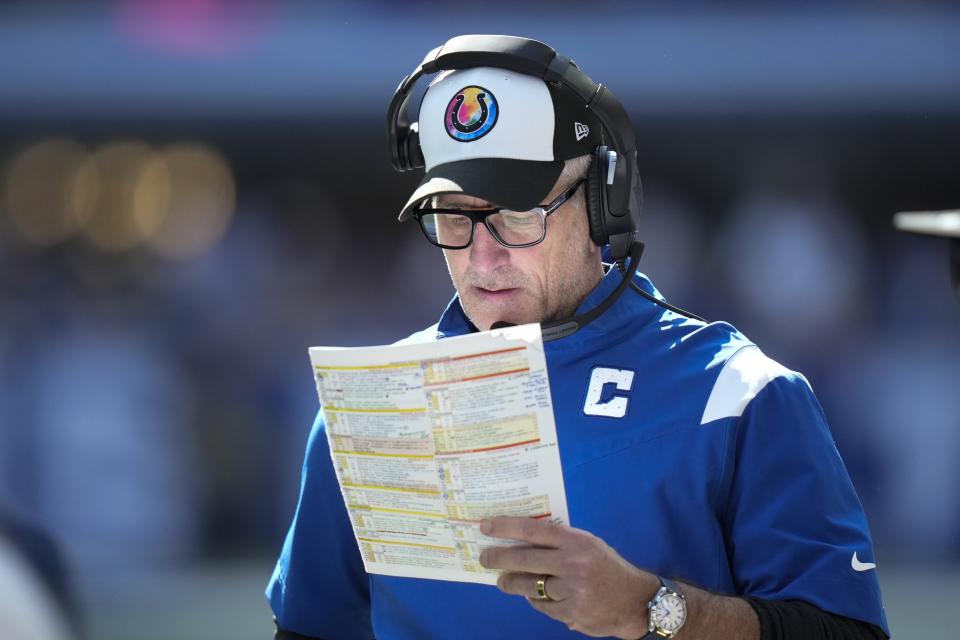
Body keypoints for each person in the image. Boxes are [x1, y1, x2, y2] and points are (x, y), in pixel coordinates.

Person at [267, 35, 889, 640]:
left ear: (603, 205)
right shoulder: (372, 406)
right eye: (454, 218)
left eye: (516, 216)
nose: (482, 260)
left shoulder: (740, 394)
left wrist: (654, 610)